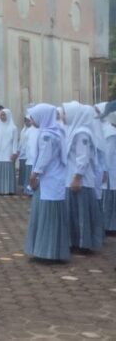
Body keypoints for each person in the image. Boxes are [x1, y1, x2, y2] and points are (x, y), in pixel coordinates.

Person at [24, 104, 70, 262]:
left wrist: (34, 174)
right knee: (52, 216)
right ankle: (52, 251)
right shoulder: (56, 131)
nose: (31, 119)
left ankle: (46, 253)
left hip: (47, 181)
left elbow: (44, 157)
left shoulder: (46, 135)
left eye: (34, 116)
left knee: (46, 216)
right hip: (54, 180)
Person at [63, 101, 104, 254]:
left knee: (81, 214)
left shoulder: (82, 133)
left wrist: (77, 177)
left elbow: (83, 157)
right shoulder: (73, 131)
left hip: (80, 181)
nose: (64, 116)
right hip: (72, 178)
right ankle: (75, 241)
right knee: (74, 213)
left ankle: (83, 243)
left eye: (66, 113)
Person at [96, 102, 116, 234]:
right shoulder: (110, 131)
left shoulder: (110, 131)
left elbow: (108, 155)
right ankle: (110, 225)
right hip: (111, 171)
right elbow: (108, 154)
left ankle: (110, 225)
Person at [0, 109, 19, 195]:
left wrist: (14, 153)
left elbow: (15, 141)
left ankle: (9, 189)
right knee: (0, 171)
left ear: (8, 115)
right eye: (1, 115)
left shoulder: (13, 128)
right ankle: (0, 189)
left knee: (8, 170)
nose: (2, 117)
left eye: (4, 115)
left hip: (8, 151)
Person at [23, 116, 40, 196]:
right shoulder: (29, 131)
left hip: (37, 157)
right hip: (30, 156)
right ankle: (29, 190)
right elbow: (26, 143)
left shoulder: (41, 130)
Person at [18, 117, 31, 193]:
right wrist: (18, 150)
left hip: (28, 154)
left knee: (28, 171)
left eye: (28, 121)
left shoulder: (33, 130)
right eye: (25, 121)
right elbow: (21, 142)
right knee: (23, 171)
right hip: (23, 154)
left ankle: (28, 187)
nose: (27, 122)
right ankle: (23, 185)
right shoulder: (23, 130)